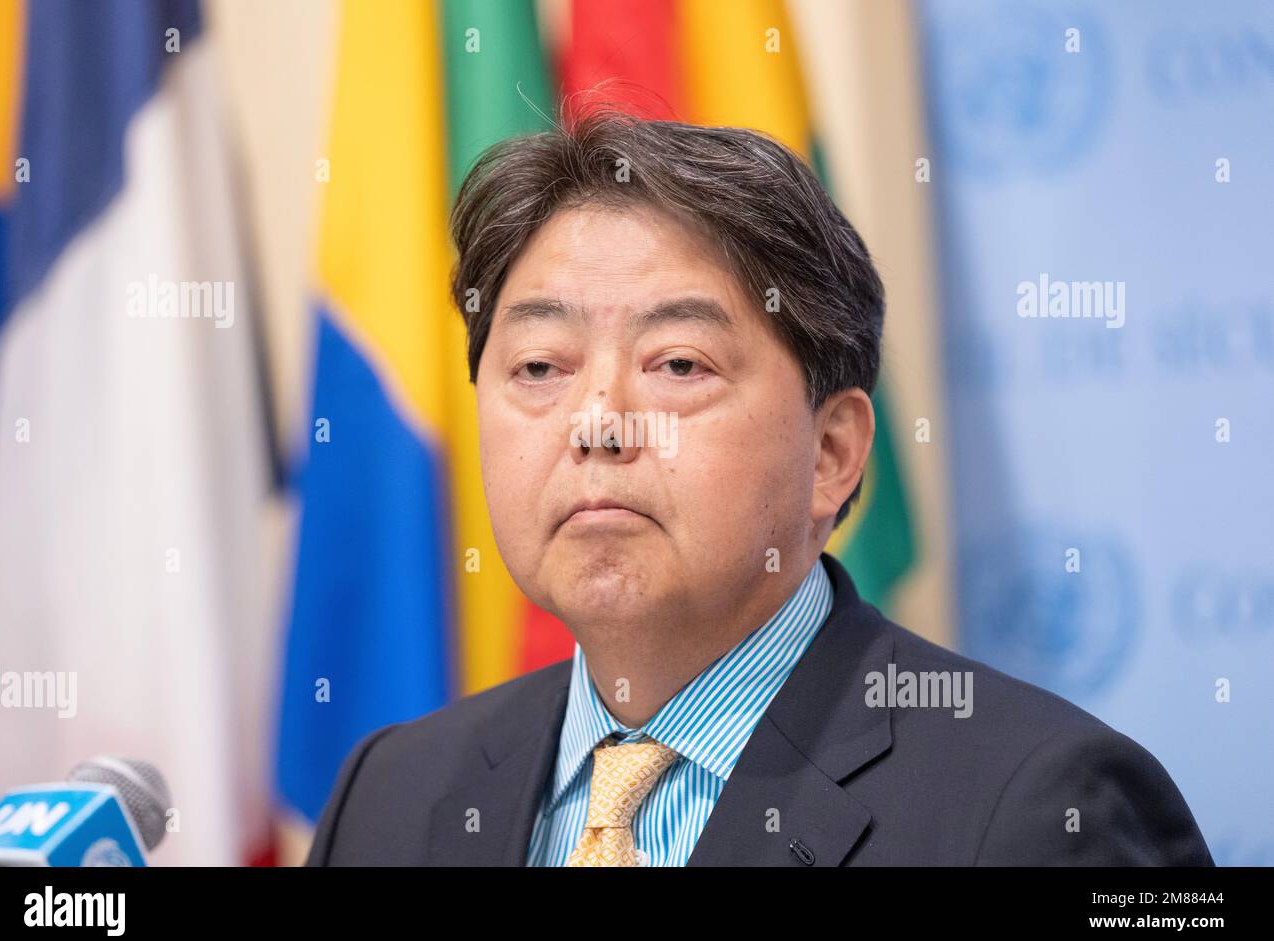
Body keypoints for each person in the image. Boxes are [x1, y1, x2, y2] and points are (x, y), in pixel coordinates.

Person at [306, 108, 1213, 866]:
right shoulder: (387, 797)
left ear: (832, 452)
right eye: (540, 365)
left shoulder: (1045, 808)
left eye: (678, 363)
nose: (597, 423)